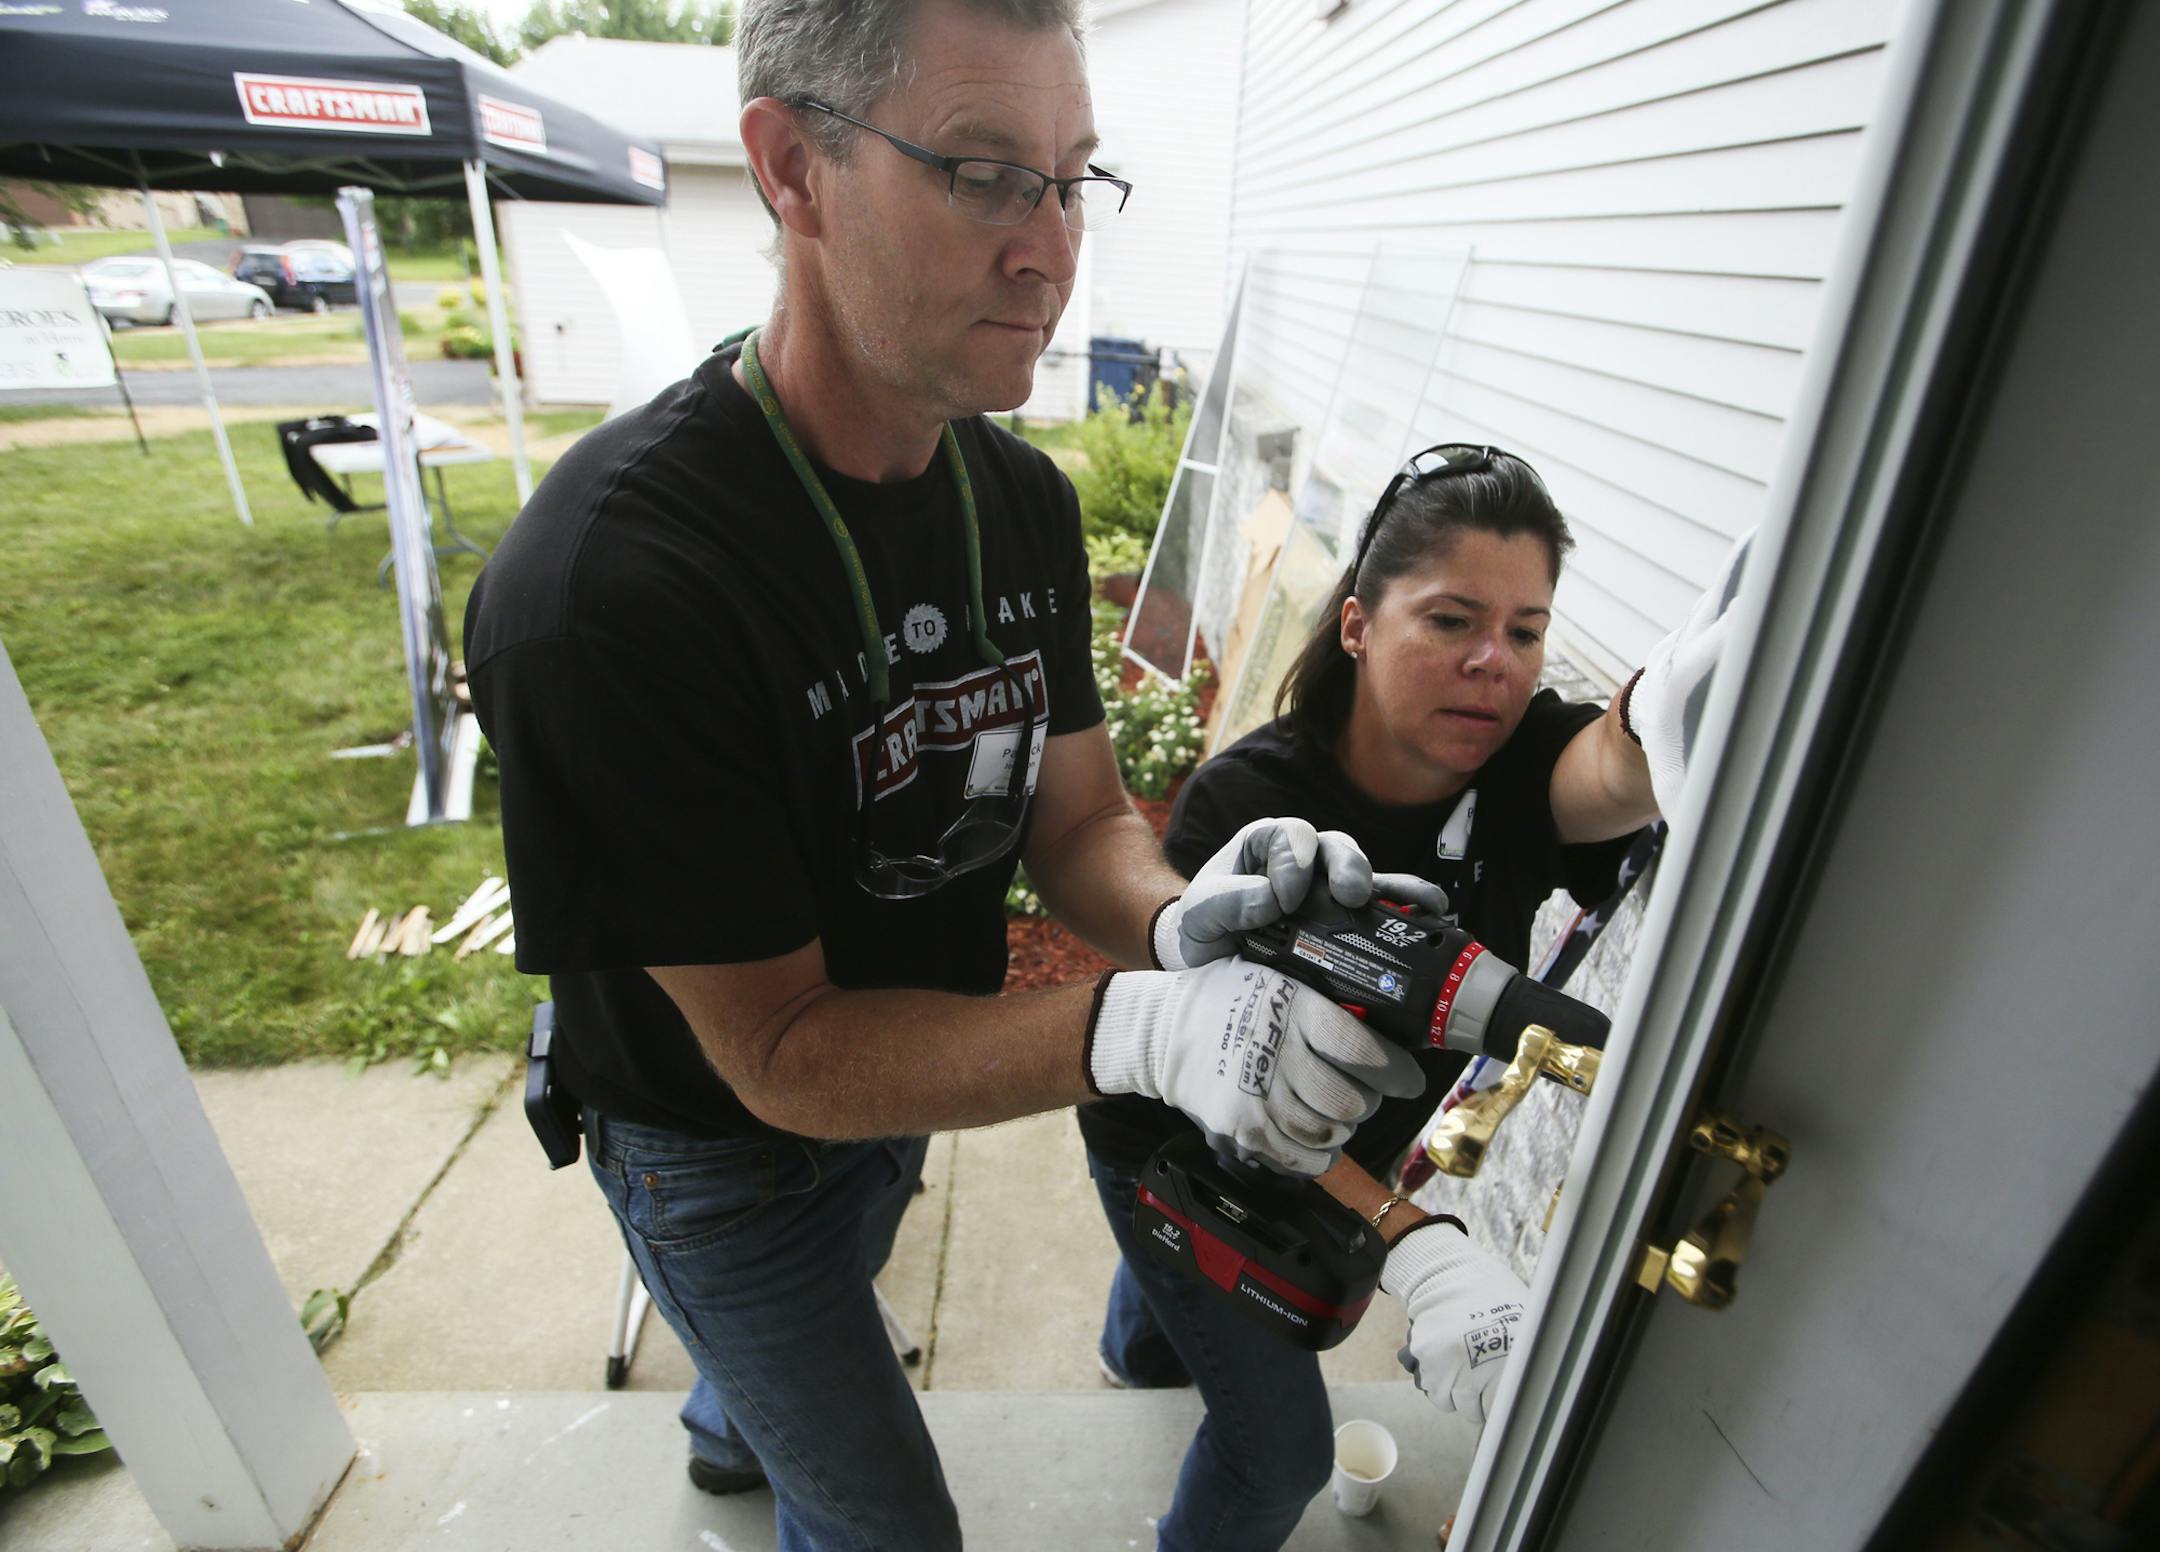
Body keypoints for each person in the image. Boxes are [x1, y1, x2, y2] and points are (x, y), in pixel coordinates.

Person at [460, 3, 1434, 1548]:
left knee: (818, 1313)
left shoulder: (1018, 501)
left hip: (907, 1071)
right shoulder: (608, 592)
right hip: (717, 1137)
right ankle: (749, 1398)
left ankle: (736, 1416)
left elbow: (1080, 819)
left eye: (1074, 179)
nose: (1053, 251)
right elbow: (779, 1051)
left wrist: (1187, 921)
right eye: (986, 176)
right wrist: (1147, 1028)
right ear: (793, 168)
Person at [1075, 443, 1744, 1550]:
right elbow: (1231, 1089)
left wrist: (1674, 701)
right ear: (1357, 624)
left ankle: (1139, 1345)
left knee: (1172, 1304)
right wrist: (1414, 1240)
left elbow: (1612, 771)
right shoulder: (1253, 810)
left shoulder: (1520, 756)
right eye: (1451, 620)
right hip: (1185, 1146)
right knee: (1274, 1450)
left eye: (1526, 630)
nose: (1496, 662)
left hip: (1353, 1138)